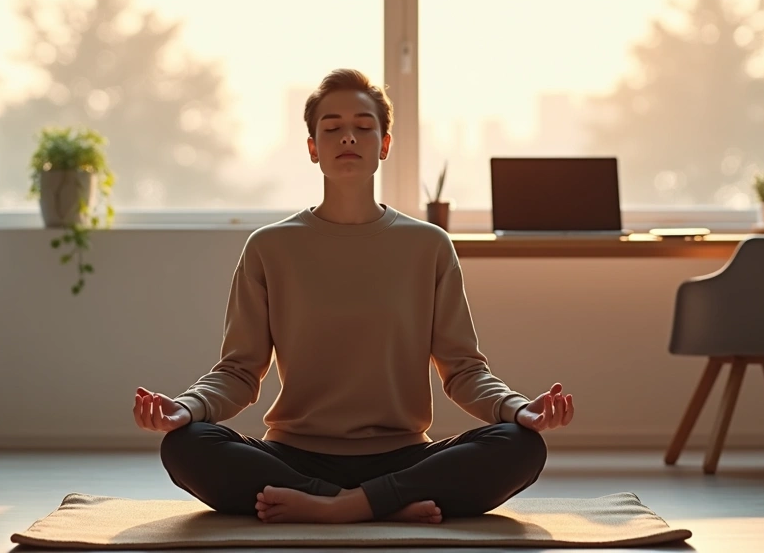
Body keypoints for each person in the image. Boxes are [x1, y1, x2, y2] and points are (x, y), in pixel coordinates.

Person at [133, 69, 574, 525]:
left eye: (363, 127)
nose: (348, 137)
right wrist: (186, 407)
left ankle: (337, 507)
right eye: (332, 128)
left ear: (383, 145)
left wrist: (518, 409)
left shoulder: (428, 246)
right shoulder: (269, 248)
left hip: (404, 457)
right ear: (312, 147)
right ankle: (380, 505)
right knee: (186, 444)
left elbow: (463, 370)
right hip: (293, 458)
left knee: (520, 446)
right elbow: (240, 371)